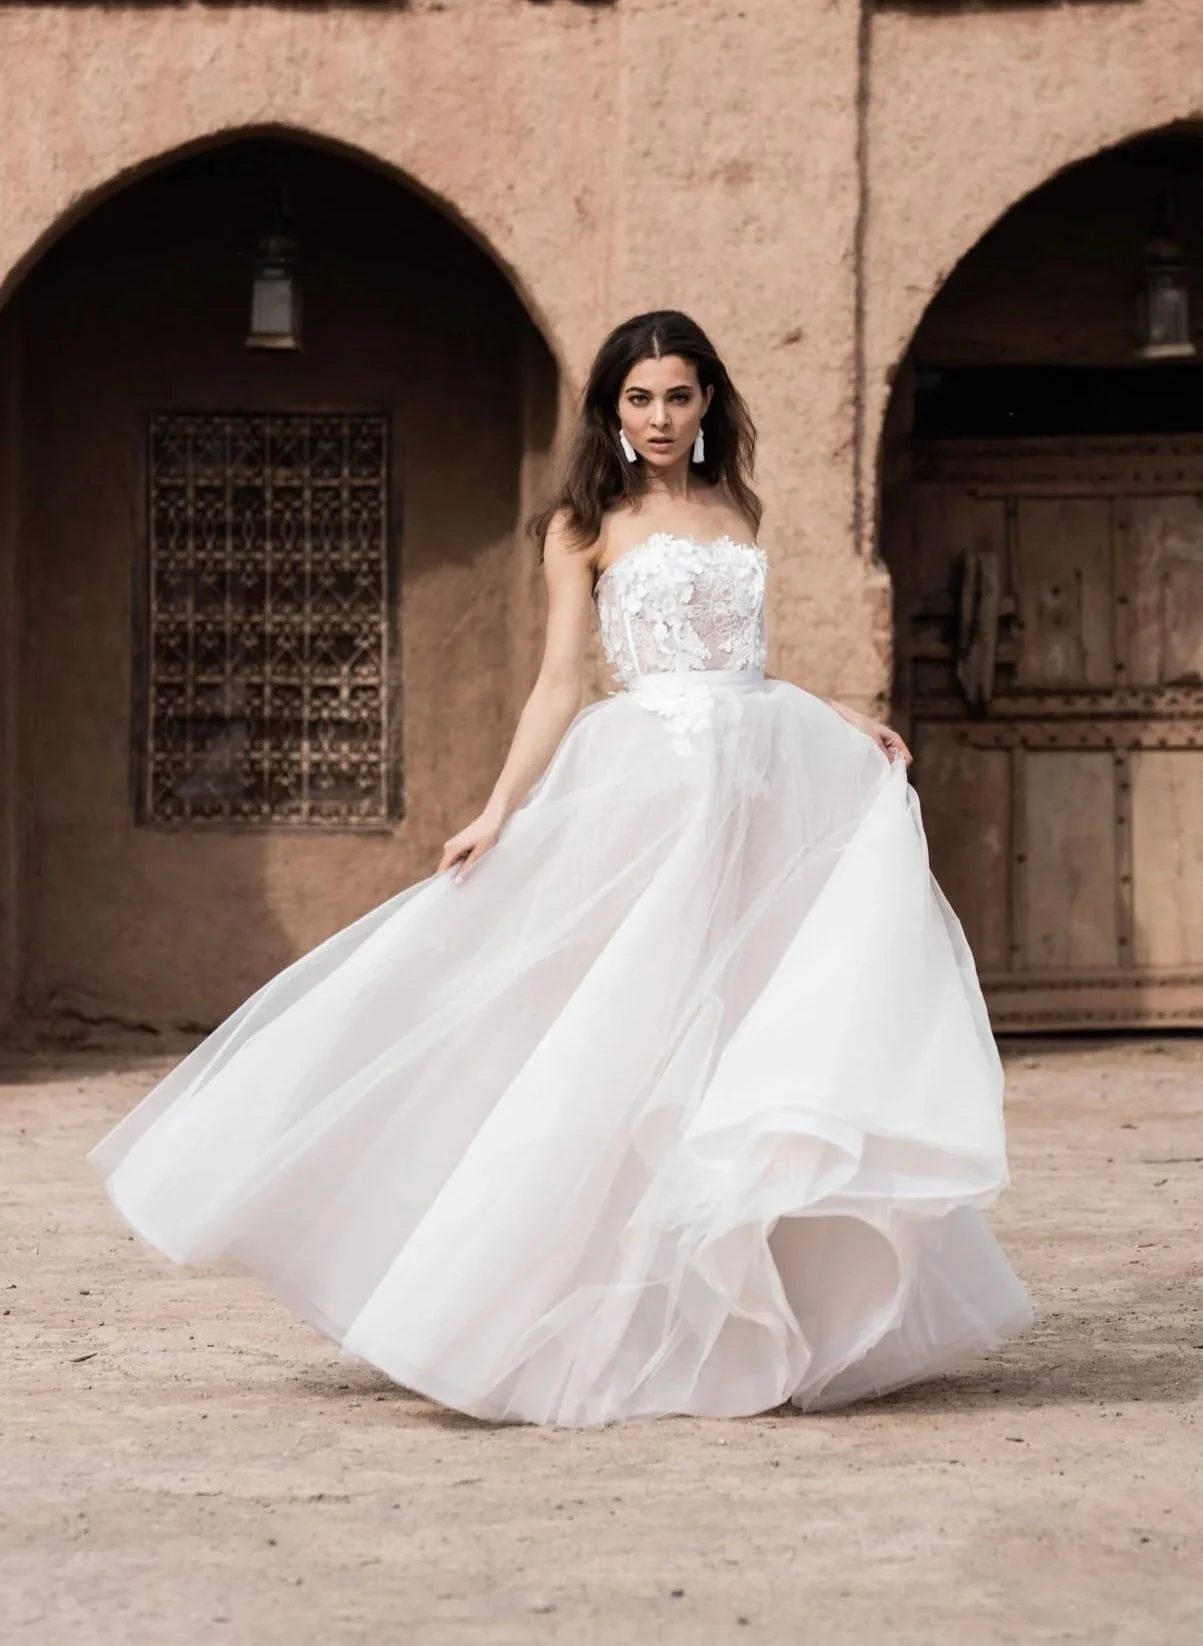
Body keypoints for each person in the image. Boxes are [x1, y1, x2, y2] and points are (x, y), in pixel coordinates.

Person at [89, 310, 1032, 1426]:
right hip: (653, 790)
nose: (663, 418)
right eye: (640, 399)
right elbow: (559, 682)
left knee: (746, 1035)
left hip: (766, 776)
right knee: (618, 1035)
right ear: (612, 412)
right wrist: (497, 810)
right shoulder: (584, 523)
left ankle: (747, 1305)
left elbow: (745, 660)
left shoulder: (739, 506)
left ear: (708, 400)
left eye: (680, 396)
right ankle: (542, 1300)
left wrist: (834, 712)